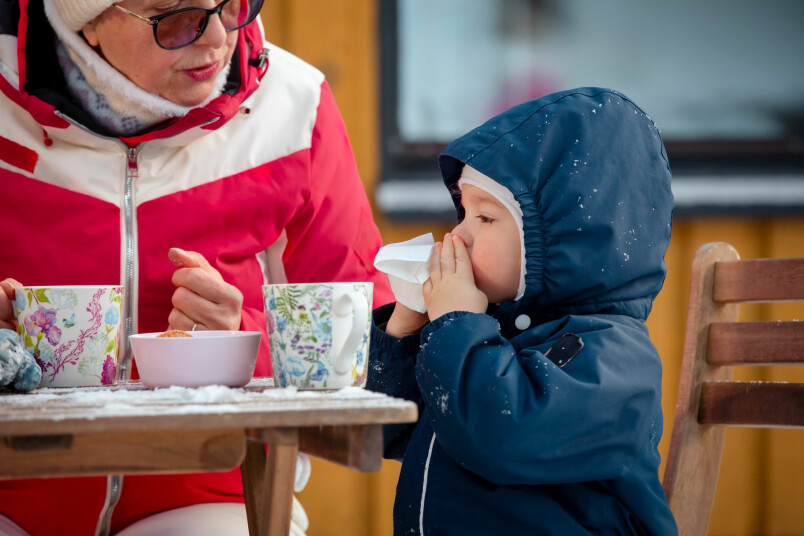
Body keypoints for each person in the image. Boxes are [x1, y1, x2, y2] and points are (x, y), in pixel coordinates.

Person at [0, 0, 392, 532]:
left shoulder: (294, 106)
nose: (214, 39)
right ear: (88, 21)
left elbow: (364, 339)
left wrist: (240, 341)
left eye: (230, 4)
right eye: (175, 18)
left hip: (211, 492)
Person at [367, 87, 679, 534]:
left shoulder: (615, 359)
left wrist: (457, 323)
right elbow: (384, 427)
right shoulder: (485, 335)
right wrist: (407, 326)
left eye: (485, 218)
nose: (459, 236)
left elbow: (500, 431)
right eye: (463, 214)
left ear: (560, 235)